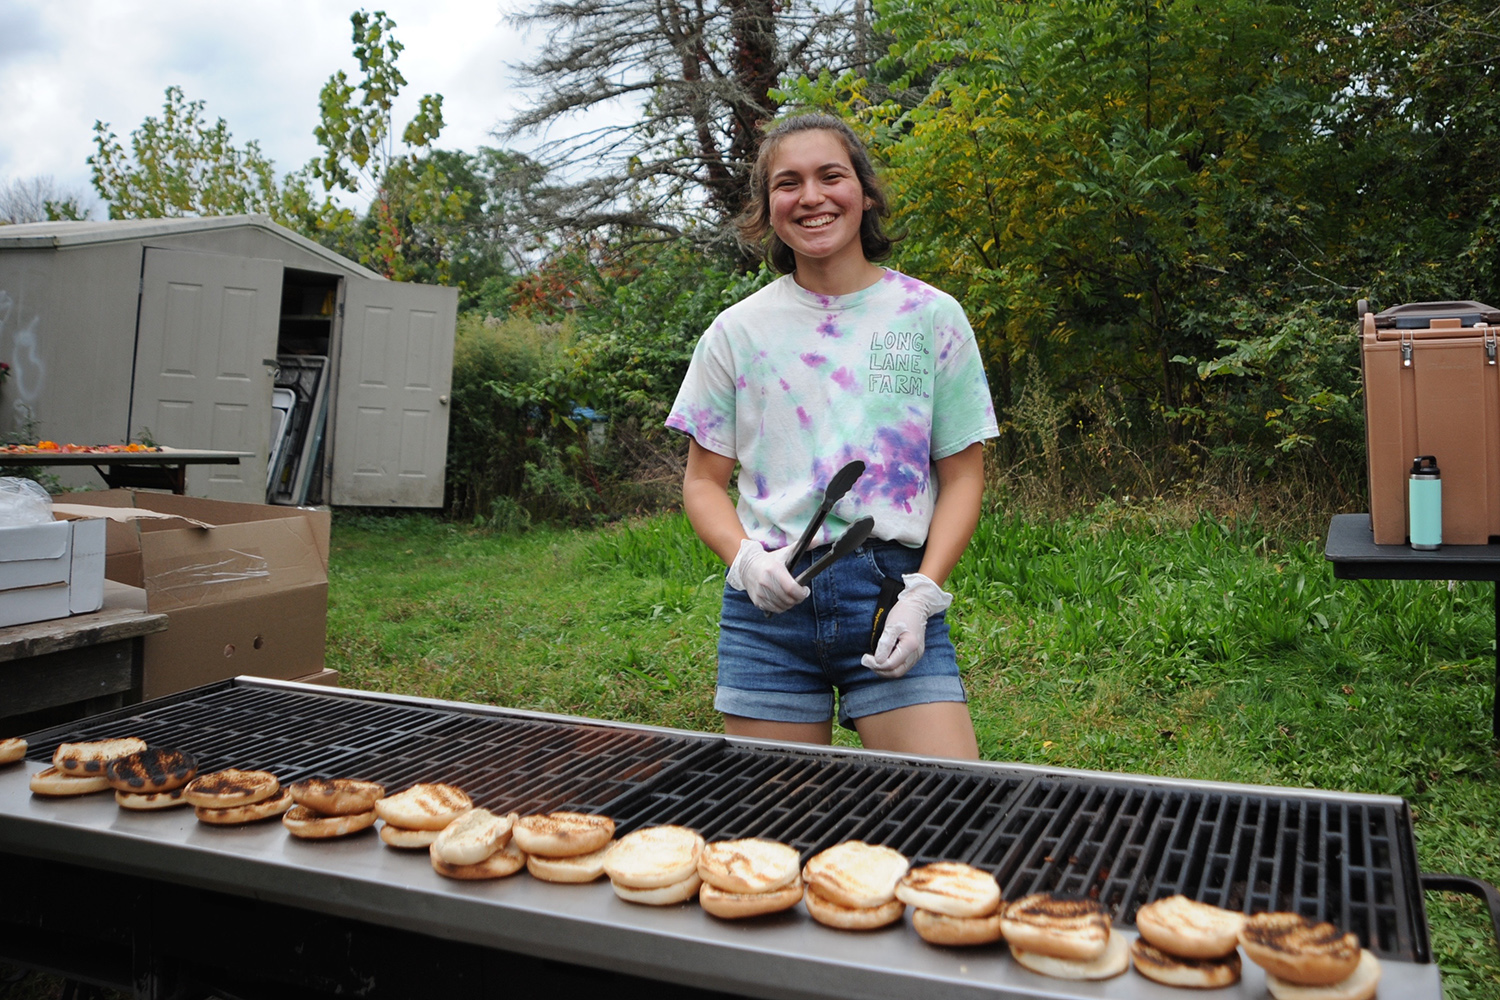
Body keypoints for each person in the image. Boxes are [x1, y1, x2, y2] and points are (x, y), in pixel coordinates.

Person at [665, 113, 999, 758]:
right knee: (775, 832)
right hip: (769, 605)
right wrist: (745, 561)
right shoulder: (737, 332)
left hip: (889, 591)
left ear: (865, 193)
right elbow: (702, 483)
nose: (812, 197)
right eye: (788, 183)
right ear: (767, 208)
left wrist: (923, 594)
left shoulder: (931, 316)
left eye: (831, 176)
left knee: (945, 810)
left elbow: (963, 475)